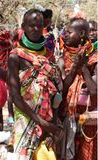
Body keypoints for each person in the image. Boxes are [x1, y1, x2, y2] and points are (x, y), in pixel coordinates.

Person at [7, 9, 64, 159]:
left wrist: (52, 125)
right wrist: (42, 123)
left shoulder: (49, 56)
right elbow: (15, 97)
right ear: (23, 26)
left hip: (48, 120)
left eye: (39, 25)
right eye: (32, 25)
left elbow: (56, 95)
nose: (36, 29)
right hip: (25, 120)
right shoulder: (15, 56)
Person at [58, 18, 97, 160]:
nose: (64, 35)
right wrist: (74, 69)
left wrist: (84, 68)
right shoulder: (62, 60)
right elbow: (62, 90)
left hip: (88, 123)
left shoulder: (94, 59)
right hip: (66, 119)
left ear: (81, 33)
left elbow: (94, 93)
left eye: (69, 32)